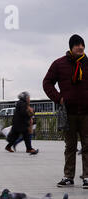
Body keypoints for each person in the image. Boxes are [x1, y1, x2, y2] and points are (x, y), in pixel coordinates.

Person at [43, 34, 88, 189]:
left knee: (87, 145)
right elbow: (47, 82)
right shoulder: (59, 64)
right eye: (77, 45)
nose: (81, 47)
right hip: (68, 112)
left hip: (86, 113)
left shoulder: (87, 64)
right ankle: (69, 176)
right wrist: (58, 98)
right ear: (71, 47)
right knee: (70, 146)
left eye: (82, 45)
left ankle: (87, 177)